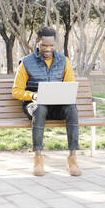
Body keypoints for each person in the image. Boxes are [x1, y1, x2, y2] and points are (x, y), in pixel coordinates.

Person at [12, 26, 82, 177]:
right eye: (44, 45)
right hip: (35, 105)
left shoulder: (64, 61)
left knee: (72, 108)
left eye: (51, 45)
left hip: (57, 106)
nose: (48, 49)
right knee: (40, 108)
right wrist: (33, 96)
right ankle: (38, 158)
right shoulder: (26, 63)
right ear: (38, 43)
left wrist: (66, 94)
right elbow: (16, 91)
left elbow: (70, 85)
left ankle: (72, 159)